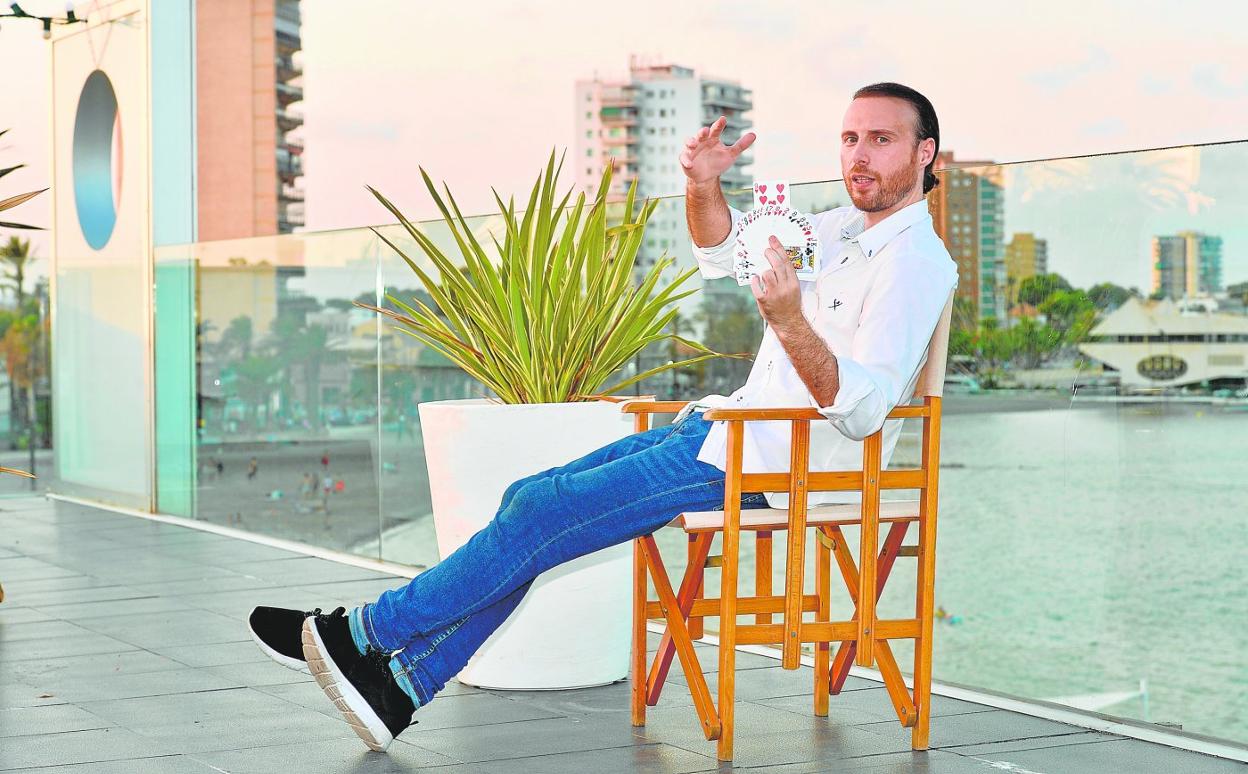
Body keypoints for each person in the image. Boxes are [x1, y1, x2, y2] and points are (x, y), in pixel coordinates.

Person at [247, 82, 957, 752]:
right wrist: (702, 184)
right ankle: (402, 684)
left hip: (777, 463)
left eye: (882, 140)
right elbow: (718, 249)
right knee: (528, 505)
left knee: (536, 511)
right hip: (724, 431)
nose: (859, 156)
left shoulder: (915, 264)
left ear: (924, 154)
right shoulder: (831, 230)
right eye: (849, 138)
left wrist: (789, 319)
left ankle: (368, 635)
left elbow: (862, 408)